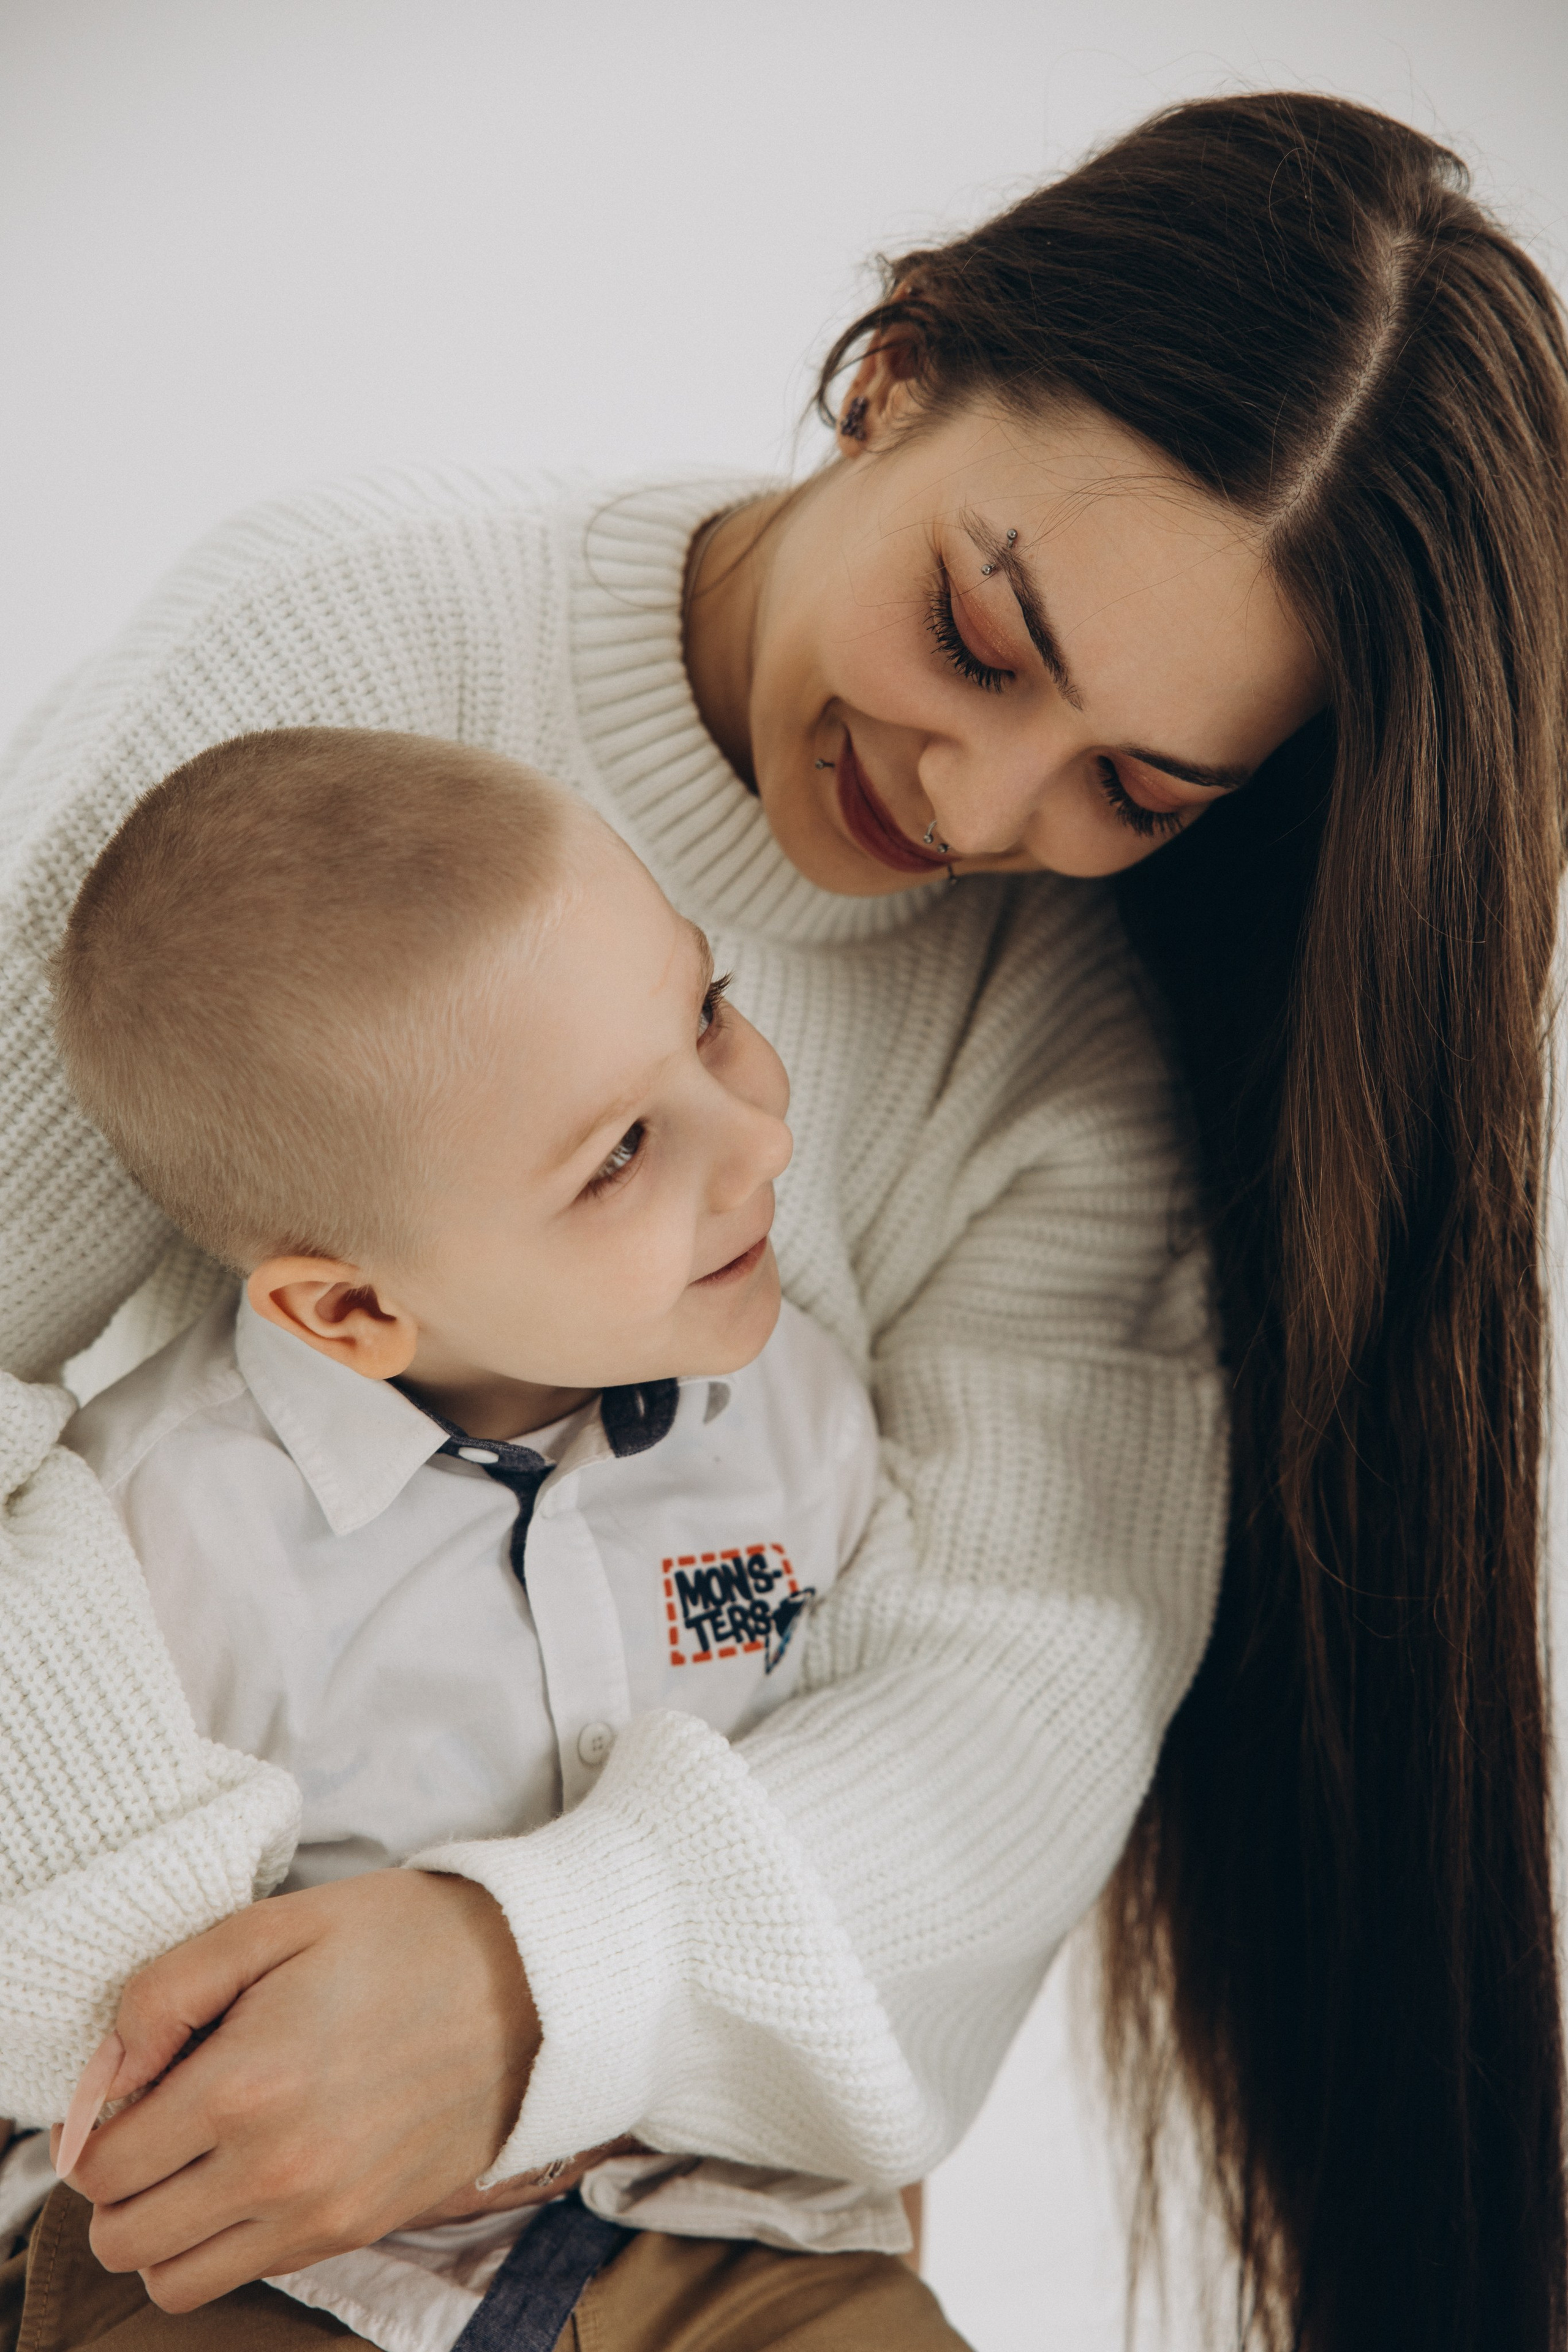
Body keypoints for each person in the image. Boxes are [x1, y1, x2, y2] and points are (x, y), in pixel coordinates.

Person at [0, 87, 1562, 2352]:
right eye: (978, 633)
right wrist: (174, 1983)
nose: (975, 805)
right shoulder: (336, 653)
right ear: (894, 368)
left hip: (690, 2209)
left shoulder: (1078, 1045)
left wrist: (537, 1981)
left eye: (1139, 788)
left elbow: (1018, 1688)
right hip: (173, 2161)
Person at [9, 723, 962, 2350]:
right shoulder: (160, 1540)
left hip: (711, 2223)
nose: (760, 1141)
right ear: (351, 1310)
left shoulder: (797, 1407)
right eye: (621, 1155)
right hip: (272, 2251)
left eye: (710, 1013)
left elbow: (857, 1818)